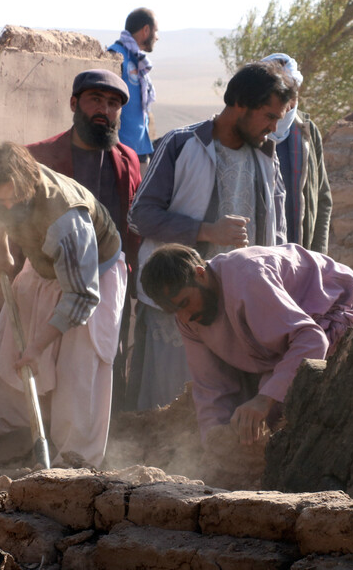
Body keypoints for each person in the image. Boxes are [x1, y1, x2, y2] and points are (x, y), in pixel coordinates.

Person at [126, 61, 294, 411]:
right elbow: (139, 216)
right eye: (268, 116)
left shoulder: (266, 157)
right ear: (240, 105)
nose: (274, 127)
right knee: (169, 404)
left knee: (231, 405)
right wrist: (205, 231)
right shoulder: (182, 144)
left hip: (240, 309)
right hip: (179, 304)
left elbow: (277, 233)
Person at [0, 143, 126, 468]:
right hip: (43, 266)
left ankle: (73, 466)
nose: (5, 205)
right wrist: (1, 250)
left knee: (78, 371)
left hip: (92, 279)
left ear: (28, 186)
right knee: (4, 358)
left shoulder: (67, 221)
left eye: (12, 199)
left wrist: (37, 346)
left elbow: (81, 297)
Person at [139, 243, 353, 444]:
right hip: (282, 338)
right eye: (175, 311)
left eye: (185, 303)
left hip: (332, 307)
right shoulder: (188, 318)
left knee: (282, 410)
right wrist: (214, 441)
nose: (185, 317)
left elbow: (313, 341)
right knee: (243, 414)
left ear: (200, 274)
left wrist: (263, 400)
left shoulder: (248, 279)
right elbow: (211, 387)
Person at [26, 69, 141, 401]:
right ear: (74, 103)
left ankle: (96, 440)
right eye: (96, 100)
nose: (104, 110)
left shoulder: (128, 159)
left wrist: (132, 278)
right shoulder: (39, 157)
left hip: (107, 280)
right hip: (51, 279)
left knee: (101, 361)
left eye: (113, 103)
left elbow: (129, 223)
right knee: (47, 359)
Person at [261, 53, 332, 253]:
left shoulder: (306, 131)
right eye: (282, 94)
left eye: (293, 94)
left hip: (300, 251)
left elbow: (322, 198)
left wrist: (318, 256)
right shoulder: (249, 130)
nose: (289, 102)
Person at [107, 8, 158, 163]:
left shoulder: (139, 60)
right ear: (146, 30)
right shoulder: (116, 56)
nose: (157, 37)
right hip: (120, 151)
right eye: (156, 31)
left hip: (141, 149)